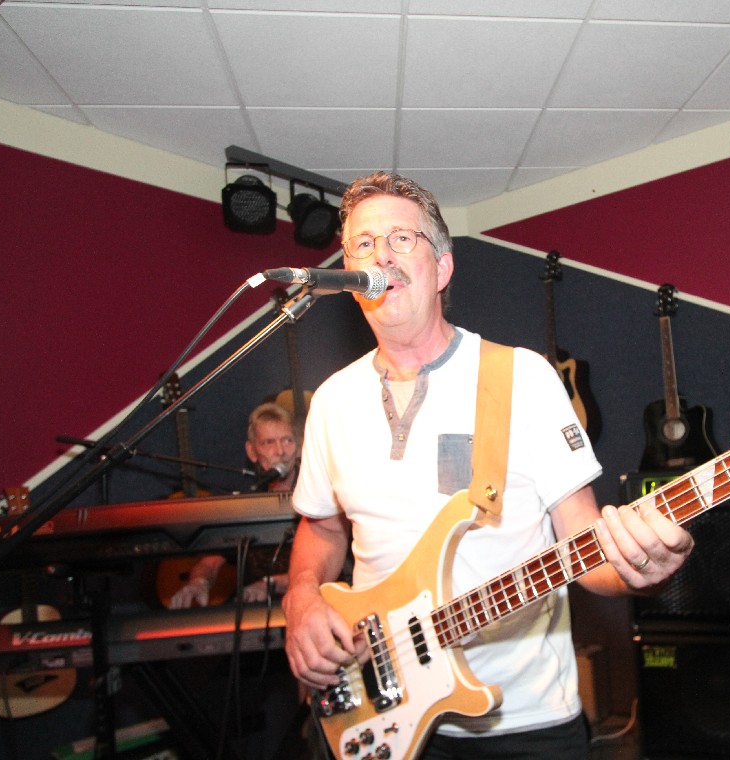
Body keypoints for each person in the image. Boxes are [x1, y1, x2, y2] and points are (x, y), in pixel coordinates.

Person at [281, 171, 695, 759]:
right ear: (348, 276)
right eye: (363, 244)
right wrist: (301, 599)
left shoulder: (522, 377)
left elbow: (582, 541)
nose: (381, 255)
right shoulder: (331, 401)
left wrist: (641, 567)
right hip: (379, 708)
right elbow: (322, 529)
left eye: (402, 238)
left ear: (442, 268)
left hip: (523, 723)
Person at [169, 401, 299, 609]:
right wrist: (199, 582)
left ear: (298, 446)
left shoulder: (317, 493)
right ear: (252, 451)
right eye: (268, 443)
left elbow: (326, 568)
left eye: (287, 440)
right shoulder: (247, 501)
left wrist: (270, 584)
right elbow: (212, 560)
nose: (280, 451)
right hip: (258, 610)